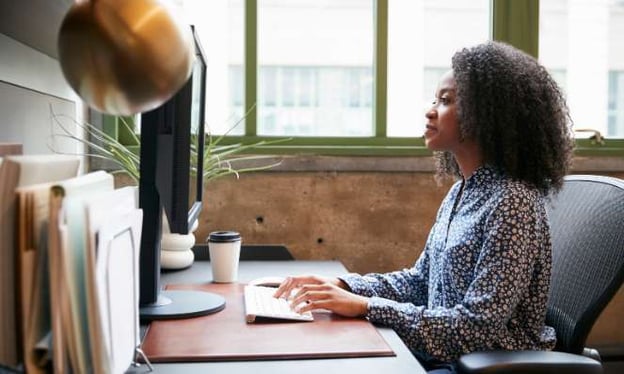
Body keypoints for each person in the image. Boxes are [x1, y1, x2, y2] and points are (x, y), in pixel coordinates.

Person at [274, 41, 574, 373]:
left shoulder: (512, 202)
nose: (430, 110)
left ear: (489, 115)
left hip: (483, 365)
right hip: (443, 354)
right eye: (435, 100)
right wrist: (344, 286)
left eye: (445, 101)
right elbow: (420, 282)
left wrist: (365, 307)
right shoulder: (463, 191)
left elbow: (475, 328)